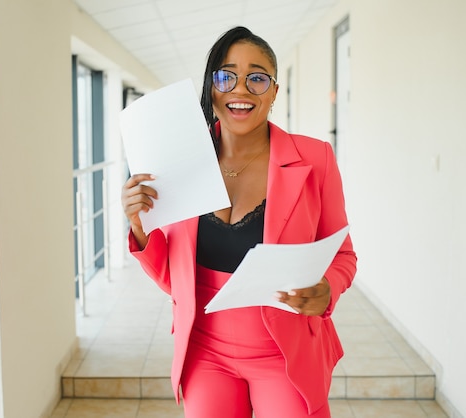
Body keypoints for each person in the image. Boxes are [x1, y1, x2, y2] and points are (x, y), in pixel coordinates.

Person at [120, 26, 356, 418]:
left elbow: (343, 254)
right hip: (204, 353)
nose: (240, 89)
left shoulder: (315, 160)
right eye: (226, 75)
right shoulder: (178, 164)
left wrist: (328, 289)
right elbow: (172, 281)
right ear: (211, 86)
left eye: (257, 78)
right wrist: (141, 228)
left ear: (274, 92)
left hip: (285, 353)